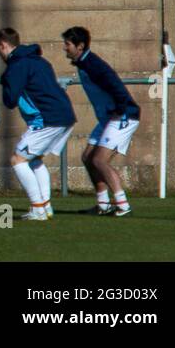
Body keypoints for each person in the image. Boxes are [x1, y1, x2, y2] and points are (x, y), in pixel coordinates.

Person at [0, 27, 76, 221]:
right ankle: (46, 207)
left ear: (3, 45)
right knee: (35, 160)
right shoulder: (39, 60)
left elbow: (10, 100)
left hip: (47, 119)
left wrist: (4, 81)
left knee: (17, 160)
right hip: (65, 115)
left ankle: (38, 208)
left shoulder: (17, 65)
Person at [62, 26, 140, 217]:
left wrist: (120, 109)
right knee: (88, 158)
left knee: (99, 160)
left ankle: (123, 205)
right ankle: (103, 205)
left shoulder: (92, 64)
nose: (64, 48)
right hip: (109, 118)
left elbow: (115, 85)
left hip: (123, 116)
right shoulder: (83, 63)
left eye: (68, 44)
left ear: (80, 46)